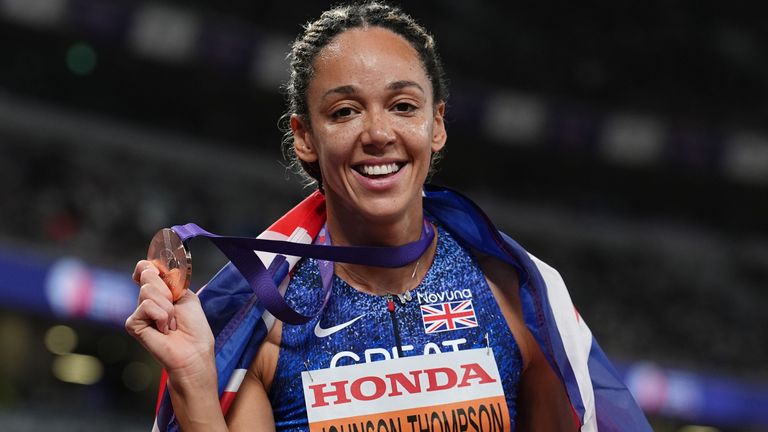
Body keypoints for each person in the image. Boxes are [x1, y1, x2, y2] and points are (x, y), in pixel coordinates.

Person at [126, 2, 651, 431]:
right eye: (344, 112)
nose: (378, 133)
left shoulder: (516, 299)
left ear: (436, 125)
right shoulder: (266, 324)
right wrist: (195, 378)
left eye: (403, 105)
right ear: (305, 136)